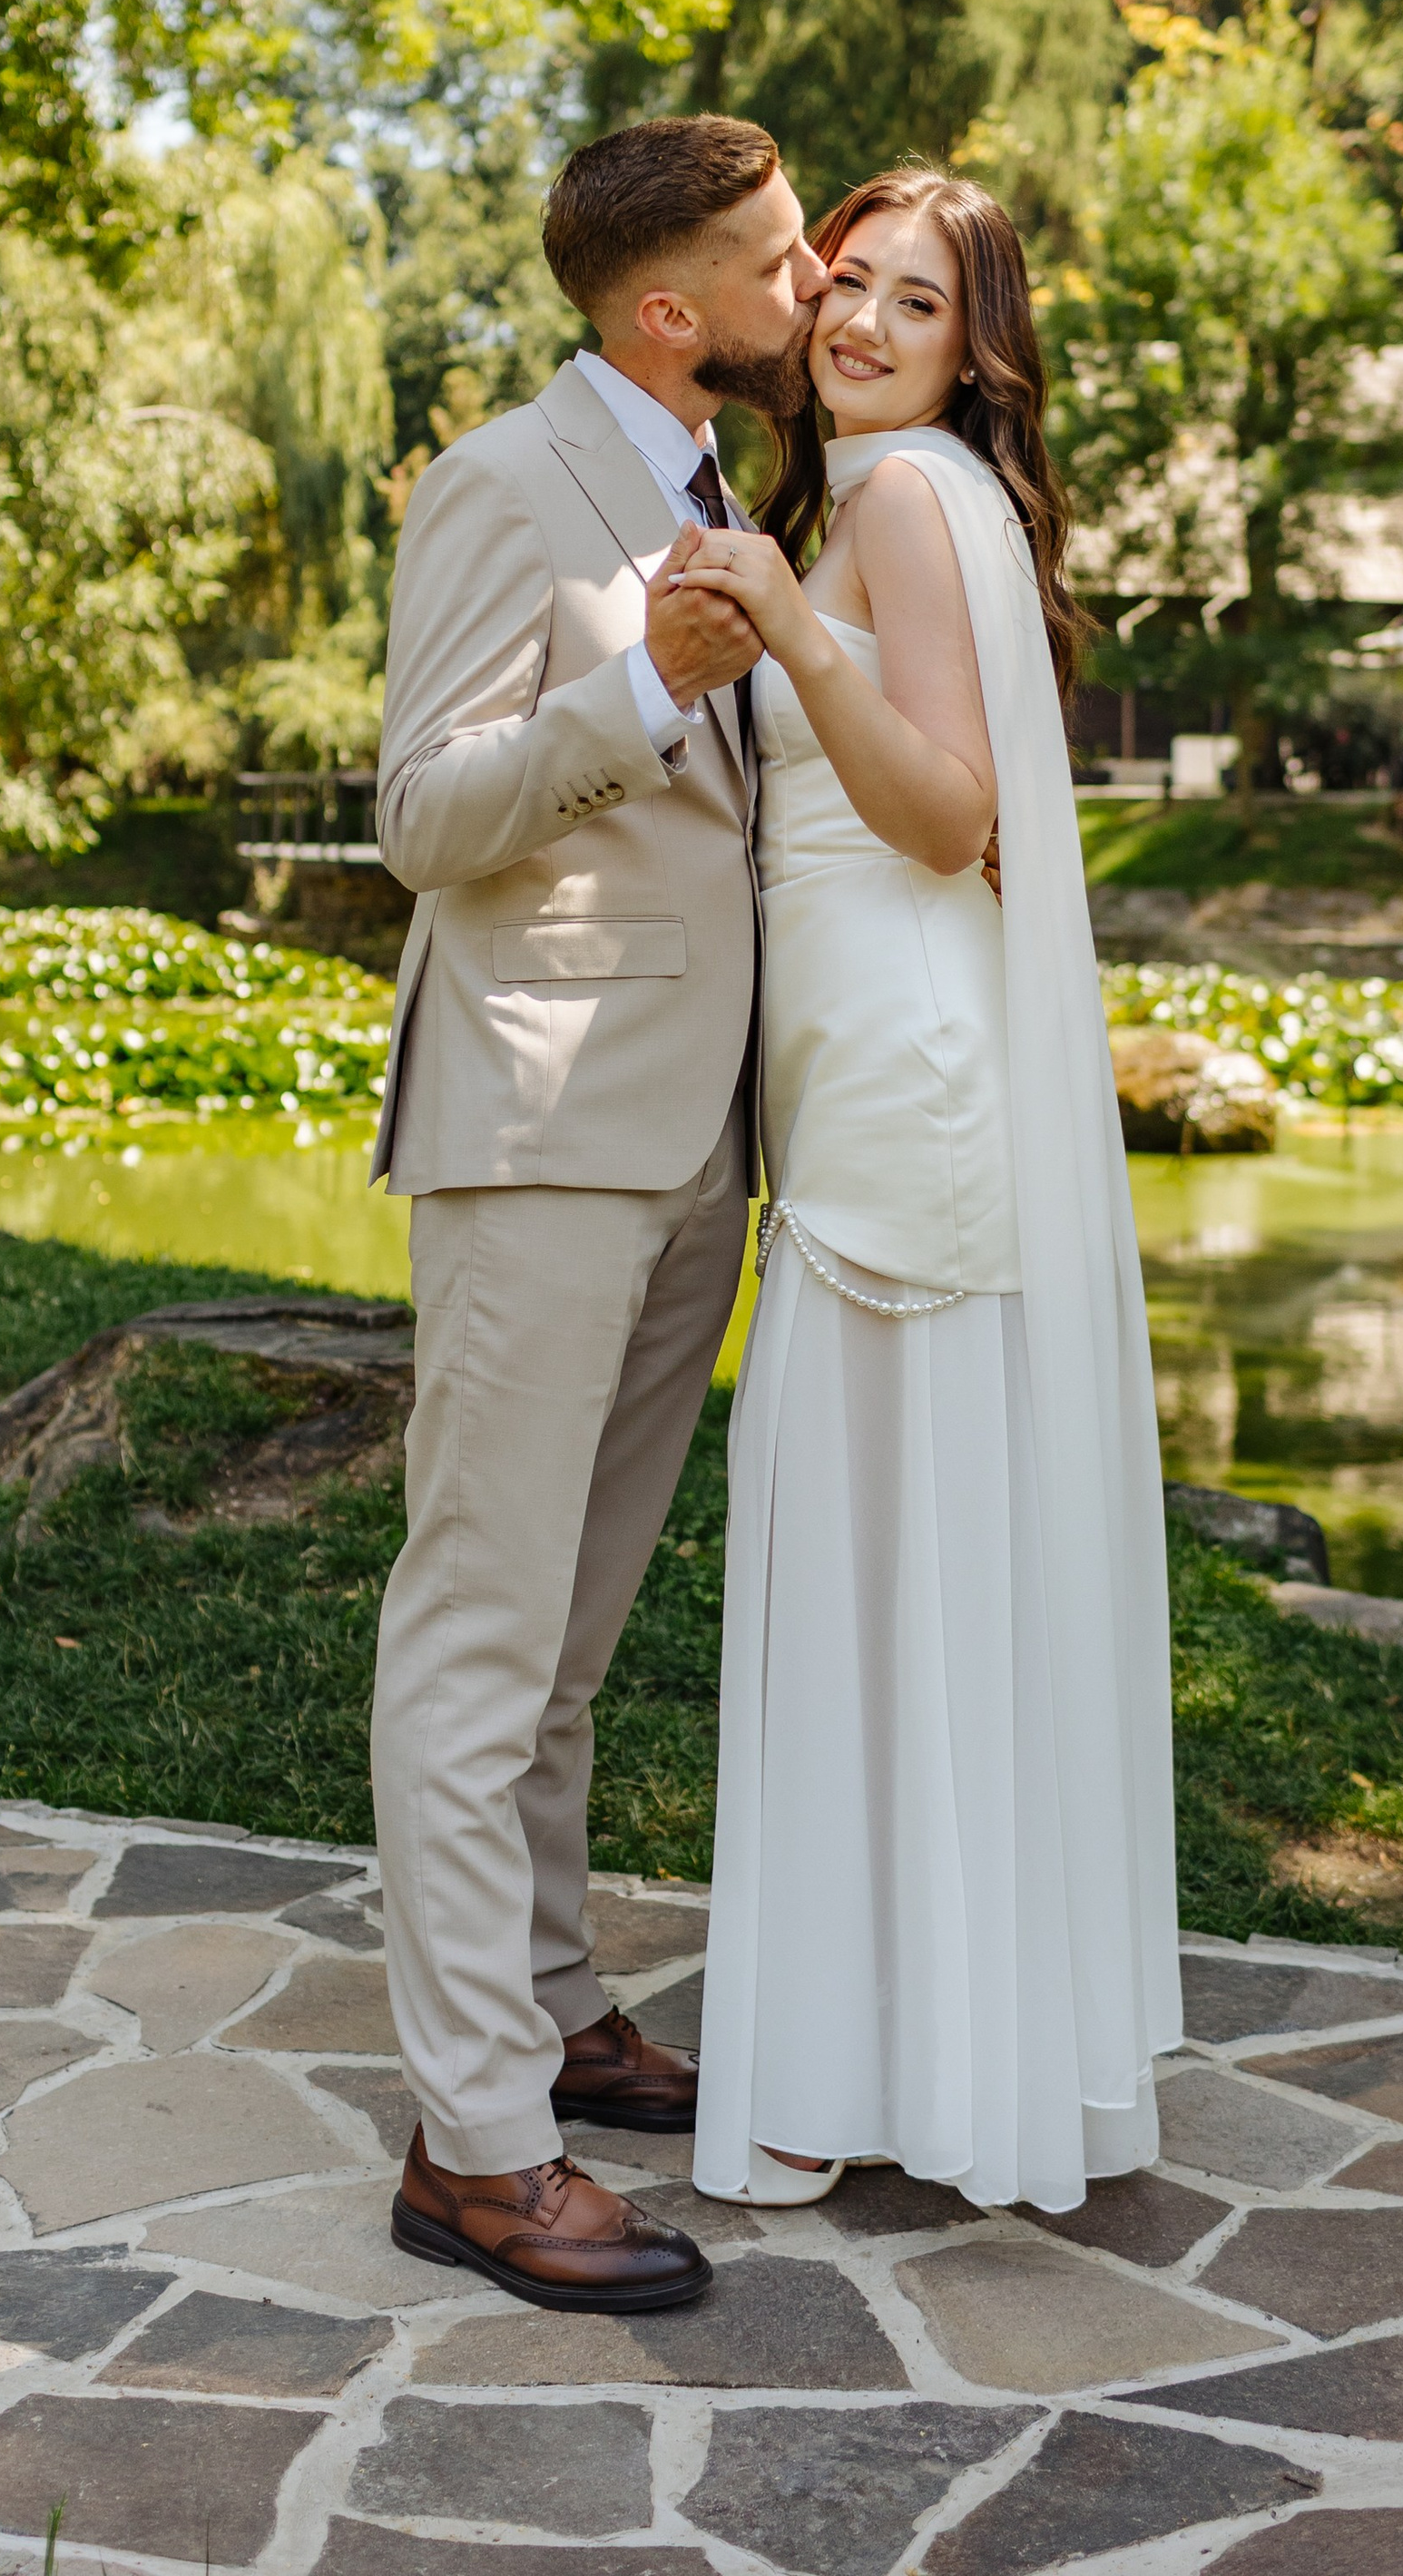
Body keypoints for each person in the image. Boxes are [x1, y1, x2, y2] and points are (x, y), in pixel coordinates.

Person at [672, 170, 1182, 2214]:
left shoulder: (885, 505)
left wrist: (782, 623)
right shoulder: (917, 495)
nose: (864, 321)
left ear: (977, 352)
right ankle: (950, 2040)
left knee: (869, 1565)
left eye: (916, 300)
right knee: (931, 1567)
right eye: (847, 285)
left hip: (897, 1102)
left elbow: (954, 815)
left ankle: (835, 2065)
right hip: (900, 1084)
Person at [367, 114, 827, 2314]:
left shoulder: (714, 485)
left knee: (564, 1641)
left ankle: (547, 2004)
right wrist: (639, 684)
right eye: (780, 252)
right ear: (672, 309)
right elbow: (420, 815)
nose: (814, 276)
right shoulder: (497, 482)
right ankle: (472, 2145)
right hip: (540, 1122)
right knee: (473, 1641)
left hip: (686, 1146)